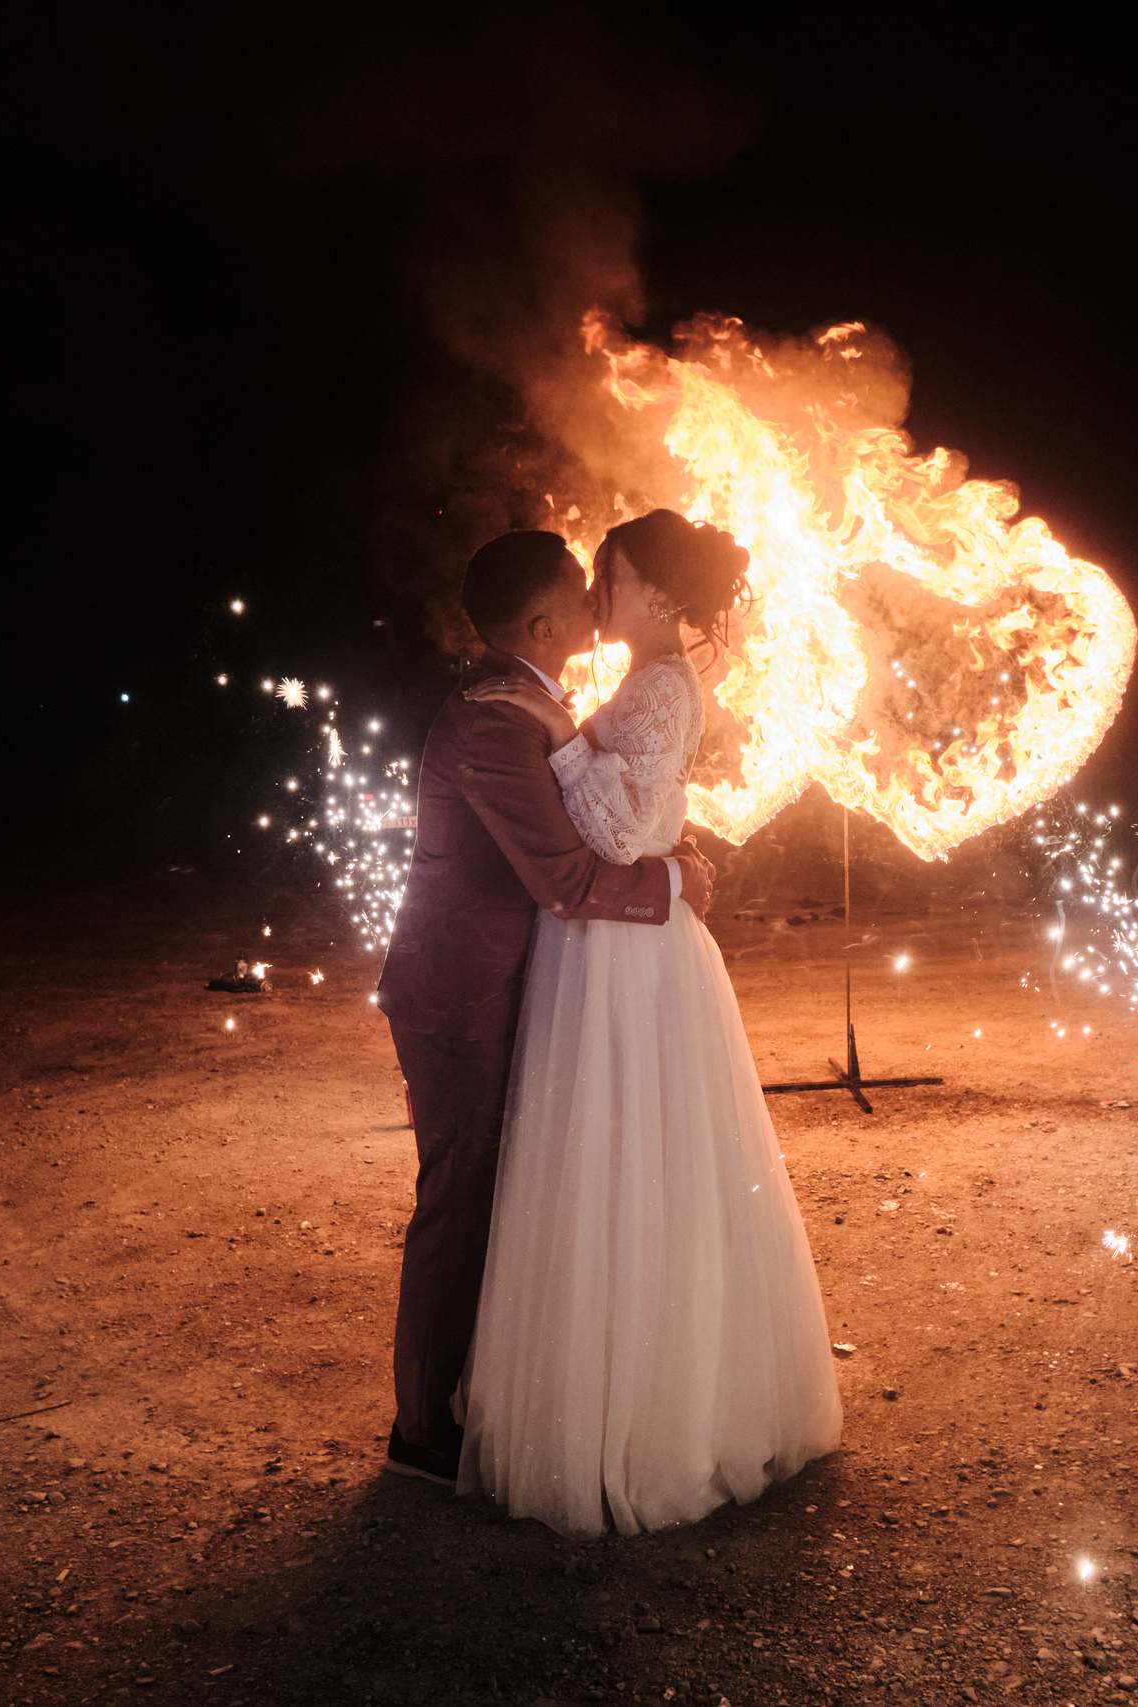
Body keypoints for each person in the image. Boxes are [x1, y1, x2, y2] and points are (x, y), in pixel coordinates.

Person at [451, 509, 843, 1536]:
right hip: (604, 946)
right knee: (604, 1153)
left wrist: (560, 741)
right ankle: (611, 1392)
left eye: (609, 576)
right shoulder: (637, 682)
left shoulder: (662, 684)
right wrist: (579, 742)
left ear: (658, 598)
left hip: (629, 953)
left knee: (634, 1153)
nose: (594, 593)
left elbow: (622, 828)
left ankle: (652, 1417)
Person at [374, 530, 717, 1489]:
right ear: (544, 622)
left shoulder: (531, 695)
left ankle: (473, 1397)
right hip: (459, 992)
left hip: (498, 979)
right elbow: (566, 876)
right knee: (463, 1191)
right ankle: (420, 1434)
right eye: (581, 583)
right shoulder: (497, 717)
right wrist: (676, 884)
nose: (593, 593)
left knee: (503, 1187)